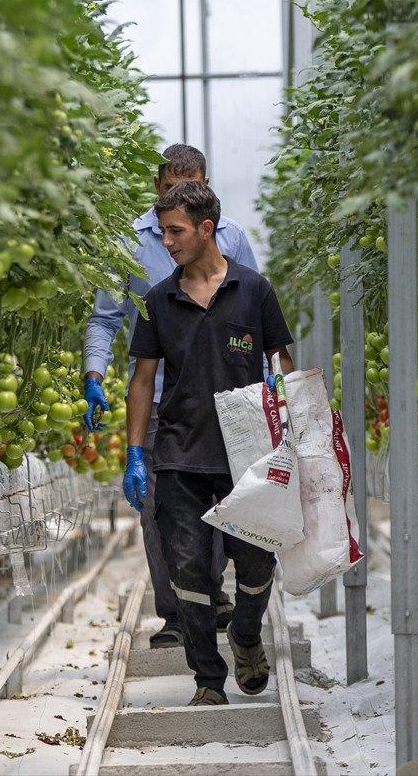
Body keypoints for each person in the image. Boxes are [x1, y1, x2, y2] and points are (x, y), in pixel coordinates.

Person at [124, 181, 294, 707]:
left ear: (205, 228)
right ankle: (207, 680)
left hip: (248, 457)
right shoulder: (159, 300)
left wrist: (280, 385)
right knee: (189, 572)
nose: (167, 241)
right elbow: (143, 380)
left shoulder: (254, 290)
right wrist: (134, 452)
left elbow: (280, 358)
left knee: (256, 565)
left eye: (175, 231)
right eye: (164, 231)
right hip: (179, 454)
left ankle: (245, 634)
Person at [82, 144, 259, 649]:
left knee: (228, 500)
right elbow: (106, 315)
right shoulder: (131, 243)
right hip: (160, 396)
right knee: (160, 508)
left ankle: (211, 591)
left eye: (194, 187)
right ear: (158, 187)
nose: (182, 196)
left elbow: (253, 305)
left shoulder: (232, 238)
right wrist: (95, 372)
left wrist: (268, 379)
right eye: (173, 187)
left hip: (227, 395)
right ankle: (179, 612)